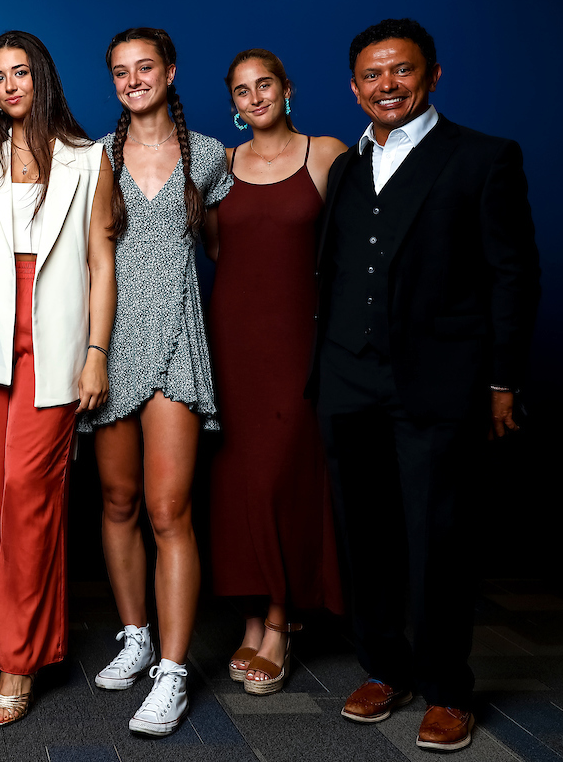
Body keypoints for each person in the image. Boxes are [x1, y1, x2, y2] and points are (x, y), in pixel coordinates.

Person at [312, 18, 540, 752]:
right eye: (373, 76)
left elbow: (514, 274)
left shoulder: (483, 158)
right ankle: (385, 669)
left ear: (432, 75)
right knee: (366, 534)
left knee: (438, 539)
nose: (387, 86)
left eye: (401, 72)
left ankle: (447, 688)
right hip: (349, 376)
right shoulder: (346, 167)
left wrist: (503, 379)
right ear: (355, 88)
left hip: (440, 380)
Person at [0, 30, 115, 727]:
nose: (10, 85)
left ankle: (19, 661)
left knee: (29, 492)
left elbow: (100, 263)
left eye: (21, 73)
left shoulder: (89, 159)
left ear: (42, 77)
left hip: (53, 347)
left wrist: (97, 351)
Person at [79, 27, 231, 736]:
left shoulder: (207, 154)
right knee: (117, 500)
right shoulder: (97, 155)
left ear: (170, 72)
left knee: (169, 510)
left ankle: (172, 671)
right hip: (110, 341)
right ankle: (135, 634)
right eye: (121, 72)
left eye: (145, 68)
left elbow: (231, 253)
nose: (134, 79)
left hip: (175, 335)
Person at [205, 48, 346, 695]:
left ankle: (282, 620)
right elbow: (214, 249)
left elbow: (352, 251)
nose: (255, 97)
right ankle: (252, 613)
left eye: (265, 85)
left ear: (287, 89)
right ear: (233, 103)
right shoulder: (221, 165)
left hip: (296, 344)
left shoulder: (327, 154)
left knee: (283, 476)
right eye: (242, 90)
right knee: (235, 478)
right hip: (230, 342)